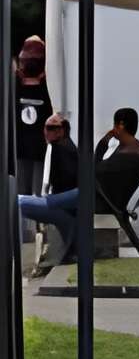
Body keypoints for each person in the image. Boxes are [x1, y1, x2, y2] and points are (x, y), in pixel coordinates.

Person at [18, 112, 80, 269]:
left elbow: (67, 181)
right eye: (45, 127)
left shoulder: (62, 149)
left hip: (63, 208)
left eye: (51, 127)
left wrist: (52, 199)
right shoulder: (64, 147)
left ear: (62, 130)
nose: (46, 131)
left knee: (17, 202)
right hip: (65, 208)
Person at [12, 36, 51, 198]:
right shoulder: (46, 87)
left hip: (23, 147)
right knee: (35, 194)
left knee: (24, 195)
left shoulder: (15, 86)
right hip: (37, 148)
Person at [91, 107, 139, 210]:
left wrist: (105, 140)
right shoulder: (134, 147)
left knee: (53, 205)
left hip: (102, 203)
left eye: (114, 125)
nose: (112, 128)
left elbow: (94, 170)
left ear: (120, 126)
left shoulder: (127, 156)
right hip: (104, 196)